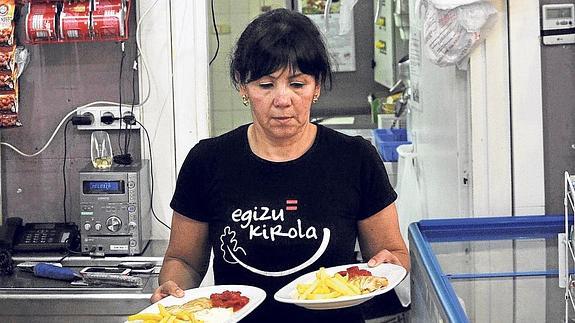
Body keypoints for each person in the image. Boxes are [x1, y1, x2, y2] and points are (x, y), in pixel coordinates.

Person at [151, 8, 409, 323]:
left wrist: (390, 263)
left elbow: (393, 253)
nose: (282, 99)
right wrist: (174, 287)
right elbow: (183, 260)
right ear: (242, 87)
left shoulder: (355, 159)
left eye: (298, 84)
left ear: (317, 87)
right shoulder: (207, 162)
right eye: (265, 84)